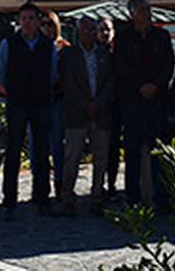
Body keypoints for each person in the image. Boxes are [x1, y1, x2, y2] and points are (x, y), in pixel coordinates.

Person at [0, 2, 57, 219]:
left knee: (41, 153)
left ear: (38, 20)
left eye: (32, 18)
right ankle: (9, 201)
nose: (28, 23)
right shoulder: (9, 44)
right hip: (18, 103)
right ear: (19, 21)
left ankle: (42, 199)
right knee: (13, 152)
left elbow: (52, 73)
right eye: (24, 19)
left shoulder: (48, 45)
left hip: (41, 103)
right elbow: (1, 72)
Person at [113, 0, 174, 208]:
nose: (146, 13)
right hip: (132, 100)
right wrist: (140, 86)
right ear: (132, 14)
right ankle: (133, 196)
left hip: (157, 100)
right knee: (132, 152)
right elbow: (120, 67)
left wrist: (155, 85)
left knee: (158, 151)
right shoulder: (123, 38)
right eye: (142, 10)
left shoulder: (162, 35)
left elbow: (168, 64)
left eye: (148, 9)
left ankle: (161, 196)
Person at [59, 16, 114, 216]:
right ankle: (67, 198)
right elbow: (68, 83)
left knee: (101, 158)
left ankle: (97, 197)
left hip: (101, 113)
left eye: (93, 30)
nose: (90, 33)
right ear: (78, 32)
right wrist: (85, 105)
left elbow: (110, 82)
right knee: (72, 158)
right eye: (86, 30)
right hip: (77, 113)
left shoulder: (104, 54)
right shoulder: (69, 54)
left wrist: (97, 103)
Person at [42, 9, 69, 199]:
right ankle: (41, 188)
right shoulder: (36, 47)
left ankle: (60, 185)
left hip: (59, 100)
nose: (46, 28)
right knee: (39, 147)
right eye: (43, 24)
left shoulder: (65, 48)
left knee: (58, 145)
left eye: (50, 24)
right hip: (39, 101)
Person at [97, 18, 123, 198]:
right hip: (97, 106)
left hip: (116, 105)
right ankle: (98, 185)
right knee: (99, 148)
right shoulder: (93, 52)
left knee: (113, 147)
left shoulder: (120, 52)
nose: (104, 33)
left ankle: (112, 184)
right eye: (101, 30)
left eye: (107, 29)